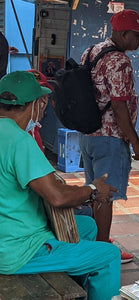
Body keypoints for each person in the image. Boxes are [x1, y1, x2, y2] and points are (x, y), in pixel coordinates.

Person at [0, 71, 121, 300]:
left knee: (87, 226)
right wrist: (93, 190)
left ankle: (75, 290)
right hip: (16, 251)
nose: (44, 110)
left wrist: (75, 195)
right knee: (109, 255)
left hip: (8, 231)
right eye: (42, 103)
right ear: (33, 105)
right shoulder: (19, 140)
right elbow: (57, 197)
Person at [79, 9, 139, 263]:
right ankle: (101, 252)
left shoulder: (91, 51)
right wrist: (136, 143)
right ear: (123, 34)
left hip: (89, 135)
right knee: (105, 196)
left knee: (93, 192)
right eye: (138, 35)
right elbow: (120, 106)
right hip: (109, 138)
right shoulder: (119, 61)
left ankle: (91, 243)